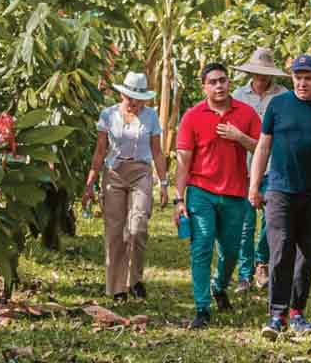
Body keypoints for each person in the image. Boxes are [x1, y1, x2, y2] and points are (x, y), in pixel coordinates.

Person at [249, 54, 311, 337]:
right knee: (280, 250)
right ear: (292, 78)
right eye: (298, 77)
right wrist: (254, 185)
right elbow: (263, 147)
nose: (302, 82)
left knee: (306, 254)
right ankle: (276, 316)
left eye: (308, 77)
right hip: (280, 191)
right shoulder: (278, 105)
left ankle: (298, 313)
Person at [173, 61, 261, 329]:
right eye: (212, 82)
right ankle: (202, 308)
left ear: (229, 83)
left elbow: (261, 148)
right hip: (202, 192)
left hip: (236, 192)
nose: (219, 85)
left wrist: (239, 137)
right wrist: (179, 199)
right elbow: (183, 162)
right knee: (202, 247)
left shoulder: (246, 113)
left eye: (222, 80)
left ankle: (219, 286)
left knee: (231, 251)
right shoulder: (193, 116)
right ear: (204, 87)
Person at [84, 72, 168, 303]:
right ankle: (117, 287)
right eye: (130, 97)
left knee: (137, 228)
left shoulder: (150, 116)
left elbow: (157, 151)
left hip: (141, 172)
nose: (134, 102)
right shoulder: (108, 115)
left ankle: (134, 279)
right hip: (114, 173)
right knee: (115, 232)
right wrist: (90, 182)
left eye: (139, 99)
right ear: (122, 94)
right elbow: (100, 151)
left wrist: (163, 183)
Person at [231, 47, 287, 290]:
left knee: (271, 218)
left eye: (265, 73)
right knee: (245, 220)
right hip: (243, 166)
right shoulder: (238, 95)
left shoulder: (283, 96)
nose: (261, 77)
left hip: (274, 165)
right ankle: (245, 272)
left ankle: (262, 262)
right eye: (257, 73)